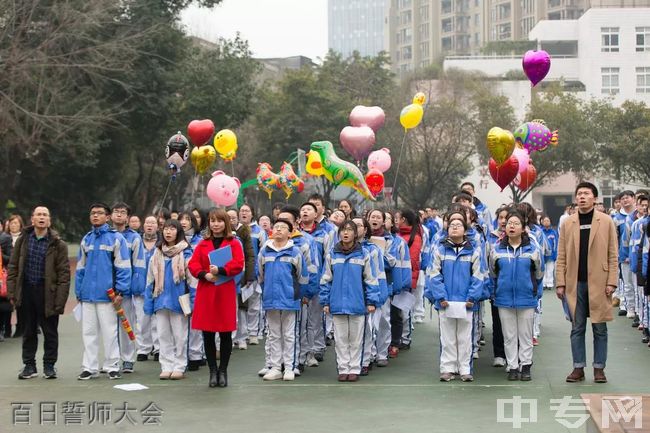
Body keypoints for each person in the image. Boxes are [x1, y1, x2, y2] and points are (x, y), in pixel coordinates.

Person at [556, 182, 618, 384]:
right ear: (575, 198)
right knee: (577, 326)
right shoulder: (568, 223)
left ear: (594, 198)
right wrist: (560, 283)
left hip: (600, 283)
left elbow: (612, 254)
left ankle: (599, 368)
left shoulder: (606, 221)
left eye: (586, 193)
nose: (582, 196)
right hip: (575, 282)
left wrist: (611, 282)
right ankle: (578, 367)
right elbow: (562, 254)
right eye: (579, 193)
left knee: (600, 327)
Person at [7, 206, 70, 379]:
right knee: (28, 331)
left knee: (50, 332)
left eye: (45, 215)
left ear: (49, 220)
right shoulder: (23, 240)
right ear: (32, 219)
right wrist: (12, 293)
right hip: (26, 290)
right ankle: (29, 366)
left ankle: (49, 366)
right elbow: (13, 267)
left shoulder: (58, 244)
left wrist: (60, 300)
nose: (41, 217)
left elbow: (64, 275)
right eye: (38, 214)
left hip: (47, 292)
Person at [426, 211, 484, 382]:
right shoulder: (440, 250)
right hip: (446, 302)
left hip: (466, 303)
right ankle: (447, 368)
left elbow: (478, 276)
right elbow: (434, 275)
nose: (455, 227)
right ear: (447, 229)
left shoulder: (473, 251)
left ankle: (465, 369)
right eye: (452, 225)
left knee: (465, 337)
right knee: (447, 336)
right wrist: (440, 297)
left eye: (459, 225)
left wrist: (472, 298)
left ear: (465, 230)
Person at [75, 203, 132, 380]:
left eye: (100, 213)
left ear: (107, 217)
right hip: (87, 296)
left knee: (110, 332)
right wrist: (79, 291)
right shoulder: (87, 239)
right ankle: (89, 367)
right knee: (88, 333)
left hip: (108, 295)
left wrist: (120, 292)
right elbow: (80, 268)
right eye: (93, 213)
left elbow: (124, 267)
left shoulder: (116, 239)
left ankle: (112, 365)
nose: (95, 216)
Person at [189, 209, 244, 388]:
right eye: (212, 221)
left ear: (225, 223)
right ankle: (213, 370)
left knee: (226, 332)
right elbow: (193, 264)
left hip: (225, 290)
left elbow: (238, 263)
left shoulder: (234, 243)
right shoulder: (203, 243)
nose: (215, 224)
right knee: (208, 333)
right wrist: (204, 274)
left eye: (219, 221)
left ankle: (223, 370)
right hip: (207, 290)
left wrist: (221, 271)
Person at [320, 220, 379, 382]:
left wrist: (371, 301)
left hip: (357, 304)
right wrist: (325, 301)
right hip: (337, 303)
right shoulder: (332, 254)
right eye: (343, 230)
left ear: (356, 233)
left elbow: (371, 280)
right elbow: (326, 279)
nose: (346, 233)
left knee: (356, 338)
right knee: (340, 339)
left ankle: (354, 368)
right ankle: (343, 367)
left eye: (349, 230)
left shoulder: (363, 254)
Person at [490, 211, 543, 381]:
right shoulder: (496, 250)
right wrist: (496, 292)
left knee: (526, 336)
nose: (511, 226)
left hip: (526, 298)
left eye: (516, 223)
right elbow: (492, 273)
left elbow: (539, 273)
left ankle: (525, 365)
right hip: (504, 299)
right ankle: (512, 366)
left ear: (523, 228)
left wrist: (534, 292)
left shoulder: (533, 250)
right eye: (509, 223)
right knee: (509, 335)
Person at [257, 218, 308, 381]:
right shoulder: (265, 251)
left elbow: (302, 276)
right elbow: (260, 275)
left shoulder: (295, 252)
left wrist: (299, 295)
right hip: (270, 299)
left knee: (289, 334)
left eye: (283, 227)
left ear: (290, 232)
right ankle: (275, 367)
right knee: (273, 334)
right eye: (276, 227)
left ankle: (289, 367)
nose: (278, 230)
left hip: (290, 299)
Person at [144, 219, 194, 380]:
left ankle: (179, 365)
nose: (168, 232)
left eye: (172, 229)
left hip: (179, 301)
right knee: (163, 335)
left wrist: (193, 301)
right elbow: (150, 280)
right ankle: (166, 365)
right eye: (166, 229)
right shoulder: (156, 253)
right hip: (160, 300)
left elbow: (192, 280)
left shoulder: (186, 253)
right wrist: (148, 301)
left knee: (180, 335)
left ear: (178, 232)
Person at [111, 202, 146, 374]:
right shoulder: (106, 235)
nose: (118, 215)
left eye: (122, 212)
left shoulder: (134, 238)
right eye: (116, 212)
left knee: (127, 324)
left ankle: (127, 359)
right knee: (109, 326)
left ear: (128, 217)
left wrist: (133, 289)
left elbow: (139, 266)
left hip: (125, 290)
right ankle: (111, 360)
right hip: (106, 289)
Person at [178, 211, 205, 370]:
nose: (183, 222)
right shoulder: (173, 241)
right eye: (181, 219)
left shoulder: (201, 241)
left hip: (196, 283)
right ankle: (181, 354)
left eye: (187, 219)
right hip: (178, 285)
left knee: (195, 319)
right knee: (180, 322)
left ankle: (196, 354)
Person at [226, 209, 255, 351]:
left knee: (242, 308)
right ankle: (229, 339)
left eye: (233, 217)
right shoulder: (221, 234)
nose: (231, 220)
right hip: (225, 276)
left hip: (241, 275)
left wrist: (249, 276)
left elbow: (250, 255)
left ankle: (242, 337)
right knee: (229, 309)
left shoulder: (243, 233)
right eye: (228, 218)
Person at [239, 204, 268, 344]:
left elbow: (263, 252)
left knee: (254, 304)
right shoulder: (235, 230)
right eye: (242, 211)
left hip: (254, 273)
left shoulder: (259, 231)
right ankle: (241, 334)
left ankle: (253, 332)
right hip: (238, 273)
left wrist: (259, 272)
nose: (244, 213)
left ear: (252, 214)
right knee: (241, 305)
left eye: (247, 211)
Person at [486, 205, 510, 368]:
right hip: (497, 288)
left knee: (513, 325)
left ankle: (514, 356)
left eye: (506, 218)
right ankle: (499, 354)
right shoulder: (491, 239)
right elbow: (488, 264)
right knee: (498, 322)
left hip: (515, 289)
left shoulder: (524, 239)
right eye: (500, 218)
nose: (503, 221)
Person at [396, 209, 422, 350]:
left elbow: (412, 261)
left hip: (407, 278)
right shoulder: (399, 235)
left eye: (397, 218)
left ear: (404, 220)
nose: (396, 220)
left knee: (404, 310)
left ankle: (405, 338)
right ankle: (399, 337)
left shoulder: (414, 237)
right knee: (397, 311)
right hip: (398, 277)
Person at [136, 215, 160, 362]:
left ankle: (158, 348)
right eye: (147, 222)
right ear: (143, 225)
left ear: (158, 226)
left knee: (157, 320)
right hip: (140, 287)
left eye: (153, 222)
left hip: (157, 287)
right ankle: (143, 348)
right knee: (142, 319)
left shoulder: (162, 243)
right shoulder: (137, 241)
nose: (150, 225)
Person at [613, 190, 636, 315]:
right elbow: (614, 238)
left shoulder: (638, 215)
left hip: (638, 255)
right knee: (627, 283)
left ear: (633, 199)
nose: (625, 200)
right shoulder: (616, 218)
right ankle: (629, 307)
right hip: (624, 255)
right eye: (622, 199)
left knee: (638, 284)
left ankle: (638, 309)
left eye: (627, 198)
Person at [0, 227, 13, 339]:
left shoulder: (5, 238)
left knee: (3, 305)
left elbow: (10, 258)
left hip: (1, 276)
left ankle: (2, 329)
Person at [541, 214, 559, 291]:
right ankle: (544, 284)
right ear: (541, 222)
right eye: (544, 221)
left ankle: (550, 283)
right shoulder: (540, 232)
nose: (546, 222)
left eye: (548, 221)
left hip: (551, 254)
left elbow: (556, 243)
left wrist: (555, 254)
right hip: (542, 254)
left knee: (550, 269)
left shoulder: (553, 232)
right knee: (543, 269)